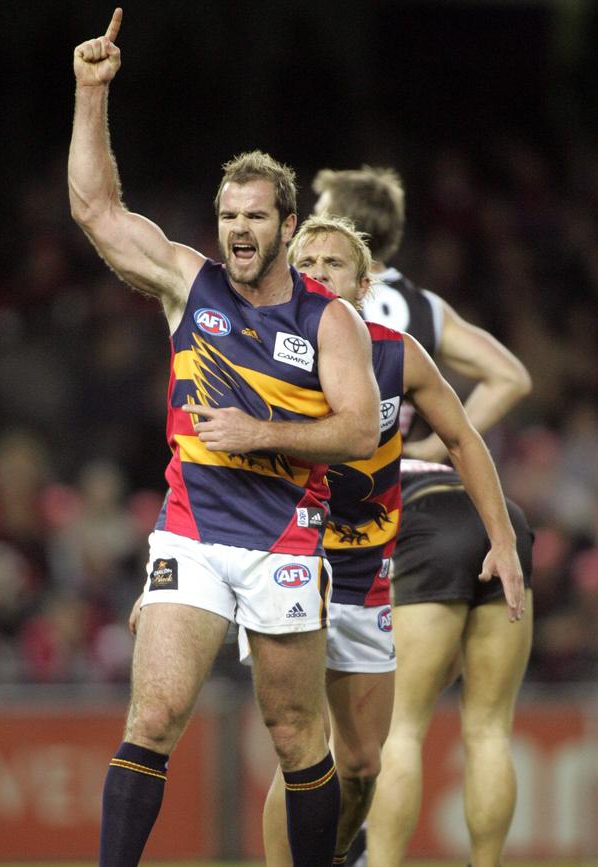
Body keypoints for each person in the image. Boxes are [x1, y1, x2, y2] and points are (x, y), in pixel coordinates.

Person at [68, 10, 382, 867]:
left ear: (286, 224)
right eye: (227, 215)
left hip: (285, 533)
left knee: (292, 731)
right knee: (154, 714)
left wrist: (258, 429)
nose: (238, 229)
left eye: (255, 216)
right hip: (193, 530)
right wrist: (91, 94)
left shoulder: (330, 321)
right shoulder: (188, 282)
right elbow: (98, 210)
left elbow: (359, 429)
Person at [250, 215, 526, 867]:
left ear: (363, 282)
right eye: (305, 261)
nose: (317, 272)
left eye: (333, 264)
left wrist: (505, 539)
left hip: (369, 572)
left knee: (365, 761)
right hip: (292, 561)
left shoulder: (397, 353)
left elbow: (463, 440)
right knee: (300, 743)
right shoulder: (258, 351)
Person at [358, 459, 533, 867]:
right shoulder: (439, 429)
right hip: (502, 519)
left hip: (424, 519)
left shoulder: (355, 462)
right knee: (491, 731)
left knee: (399, 729)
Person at [312, 165, 532, 460]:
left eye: (319, 215)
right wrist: (433, 450)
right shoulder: (428, 307)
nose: (311, 224)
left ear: (340, 228)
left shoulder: (314, 291)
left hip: (317, 472)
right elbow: (510, 377)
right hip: (385, 480)